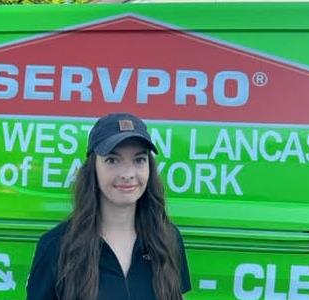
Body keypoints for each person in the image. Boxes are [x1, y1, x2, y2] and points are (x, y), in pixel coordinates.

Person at [26, 112, 191, 300]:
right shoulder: (56, 246)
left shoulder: (167, 238)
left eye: (139, 160)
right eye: (112, 160)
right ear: (93, 168)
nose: (128, 173)